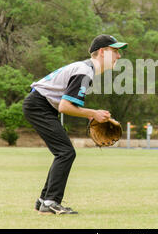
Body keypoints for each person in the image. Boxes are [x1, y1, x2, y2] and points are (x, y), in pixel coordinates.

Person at [22, 34, 128, 215]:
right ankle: (50, 202)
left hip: (41, 105)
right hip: (39, 105)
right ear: (102, 52)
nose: (119, 56)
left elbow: (67, 105)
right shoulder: (85, 71)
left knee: (63, 152)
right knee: (65, 152)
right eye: (115, 51)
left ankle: (44, 201)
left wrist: (90, 115)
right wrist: (93, 113)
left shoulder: (86, 69)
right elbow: (65, 106)